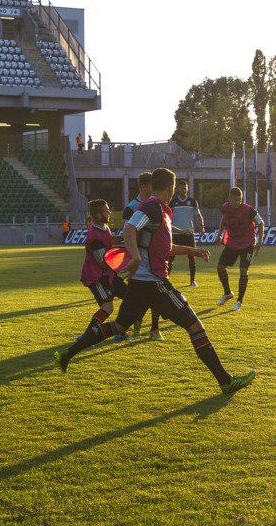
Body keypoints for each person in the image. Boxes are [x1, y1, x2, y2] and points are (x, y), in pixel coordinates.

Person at [54, 168, 255, 394]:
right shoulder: (151, 207)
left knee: (118, 326)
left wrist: (193, 250)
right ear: (170, 188)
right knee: (195, 326)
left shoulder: (160, 211)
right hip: (154, 283)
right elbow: (130, 228)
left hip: (140, 284)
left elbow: (164, 247)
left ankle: (66, 354)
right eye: (173, 188)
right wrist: (137, 256)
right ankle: (226, 381)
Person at [73, 199, 128, 345]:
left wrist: (125, 239)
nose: (109, 212)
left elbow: (109, 239)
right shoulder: (94, 236)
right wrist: (124, 255)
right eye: (106, 210)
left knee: (130, 298)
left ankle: (120, 333)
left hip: (107, 274)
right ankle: (86, 338)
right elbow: (102, 262)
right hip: (96, 277)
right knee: (107, 307)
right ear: (98, 215)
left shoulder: (103, 226)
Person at [123, 172, 162, 338]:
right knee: (142, 296)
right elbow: (127, 231)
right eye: (153, 185)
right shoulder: (131, 207)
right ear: (144, 186)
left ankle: (154, 328)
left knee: (157, 293)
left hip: (157, 257)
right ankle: (129, 326)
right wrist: (134, 256)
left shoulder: (155, 204)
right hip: (140, 260)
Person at [215, 187, 265, 312]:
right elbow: (224, 219)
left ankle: (239, 301)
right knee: (220, 267)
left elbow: (261, 223)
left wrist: (260, 241)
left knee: (243, 270)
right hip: (232, 243)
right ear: (229, 198)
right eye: (235, 200)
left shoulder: (249, 210)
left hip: (247, 244)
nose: (237, 202)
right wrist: (219, 234)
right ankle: (227, 293)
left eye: (239, 200)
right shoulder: (225, 208)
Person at [169, 179, 205, 287]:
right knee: (171, 257)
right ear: (178, 189)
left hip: (189, 233)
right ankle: (167, 279)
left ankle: (192, 280)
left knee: (192, 255)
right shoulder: (173, 202)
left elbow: (198, 215)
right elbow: (168, 217)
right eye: (182, 188)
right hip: (176, 234)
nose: (184, 190)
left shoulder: (193, 202)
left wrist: (201, 226)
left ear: (187, 189)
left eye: (185, 188)